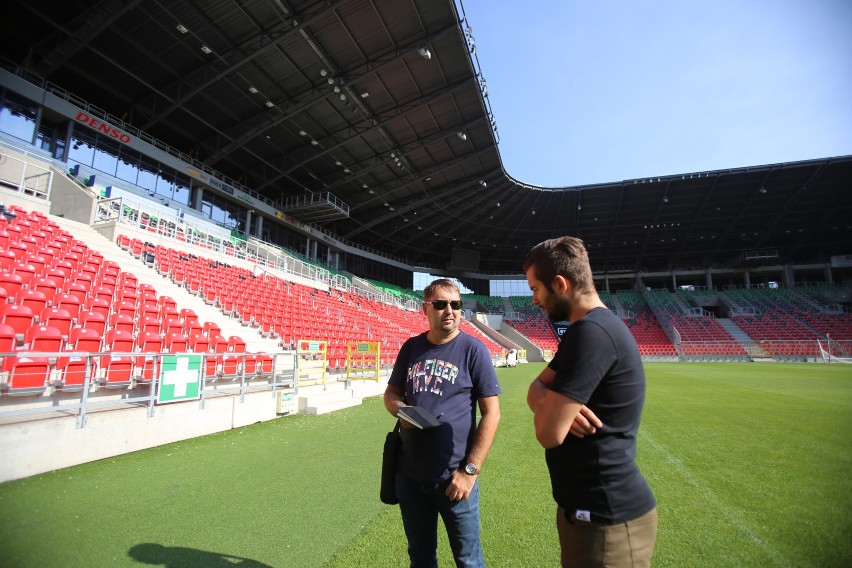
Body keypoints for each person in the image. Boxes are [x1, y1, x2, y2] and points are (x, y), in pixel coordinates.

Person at [523, 236, 658, 568]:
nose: (535, 300)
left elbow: (548, 433)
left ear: (560, 284)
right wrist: (551, 403)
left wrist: (554, 410)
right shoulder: (589, 329)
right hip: (589, 515)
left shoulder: (591, 333)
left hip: (606, 522)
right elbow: (534, 389)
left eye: (535, 289)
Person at [383, 278, 501, 568]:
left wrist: (470, 472)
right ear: (426, 309)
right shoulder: (411, 348)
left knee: (469, 561)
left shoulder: (474, 350)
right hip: (410, 476)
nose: (449, 310)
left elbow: (492, 413)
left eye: (456, 304)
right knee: (421, 558)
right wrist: (402, 411)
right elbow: (391, 394)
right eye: (440, 304)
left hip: (455, 480)